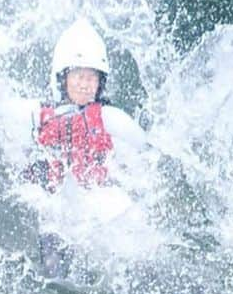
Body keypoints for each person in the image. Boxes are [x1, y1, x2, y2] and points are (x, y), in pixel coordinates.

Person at [24, 19, 144, 280]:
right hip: (56, 203)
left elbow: (145, 152)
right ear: (62, 78)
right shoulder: (38, 115)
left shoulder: (110, 118)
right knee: (51, 250)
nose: (85, 83)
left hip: (96, 200)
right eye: (78, 75)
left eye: (92, 77)